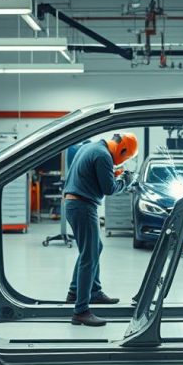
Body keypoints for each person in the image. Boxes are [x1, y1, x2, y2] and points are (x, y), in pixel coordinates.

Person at [63, 133, 139, 326]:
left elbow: (91, 175)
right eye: (125, 158)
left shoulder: (90, 146)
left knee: (95, 248)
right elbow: (109, 189)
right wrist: (127, 180)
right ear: (122, 150)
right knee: (89, 256)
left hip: (75, 204)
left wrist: (112, 174)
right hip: (83, 206)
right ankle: (81, 311)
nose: (120, 162)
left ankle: (84, 292)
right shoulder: (104, 155)